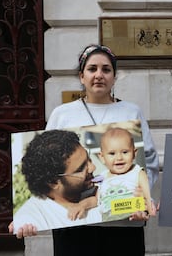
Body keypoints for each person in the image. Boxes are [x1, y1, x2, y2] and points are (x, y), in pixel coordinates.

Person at [10, 44, 159, 256]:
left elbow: (149, 163)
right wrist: (27, 218)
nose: (99, 75)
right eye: (92, 69)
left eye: (106, 69)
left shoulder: (131, 111)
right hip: (74, 227)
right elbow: (44, 165)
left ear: (115, 77)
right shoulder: (62, 114)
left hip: (124, 223)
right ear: (82, 76)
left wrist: (144, 199)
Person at [12, 129, 102, 231]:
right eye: (81, 169)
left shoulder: (103, 187)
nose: (92, 167)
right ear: (54, 182)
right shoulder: (31, 223)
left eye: (89, 159)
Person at [68, 127, 154, 223]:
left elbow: (148, 194)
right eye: (112, 153)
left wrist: (147, 211)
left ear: (134, 153)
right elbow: (97, 200)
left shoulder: (137, 172)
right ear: (102, 157)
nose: (119, 157)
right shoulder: (102, 177)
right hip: (108, 222)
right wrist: (82, 205)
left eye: (125, 152)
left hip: (131, 219)